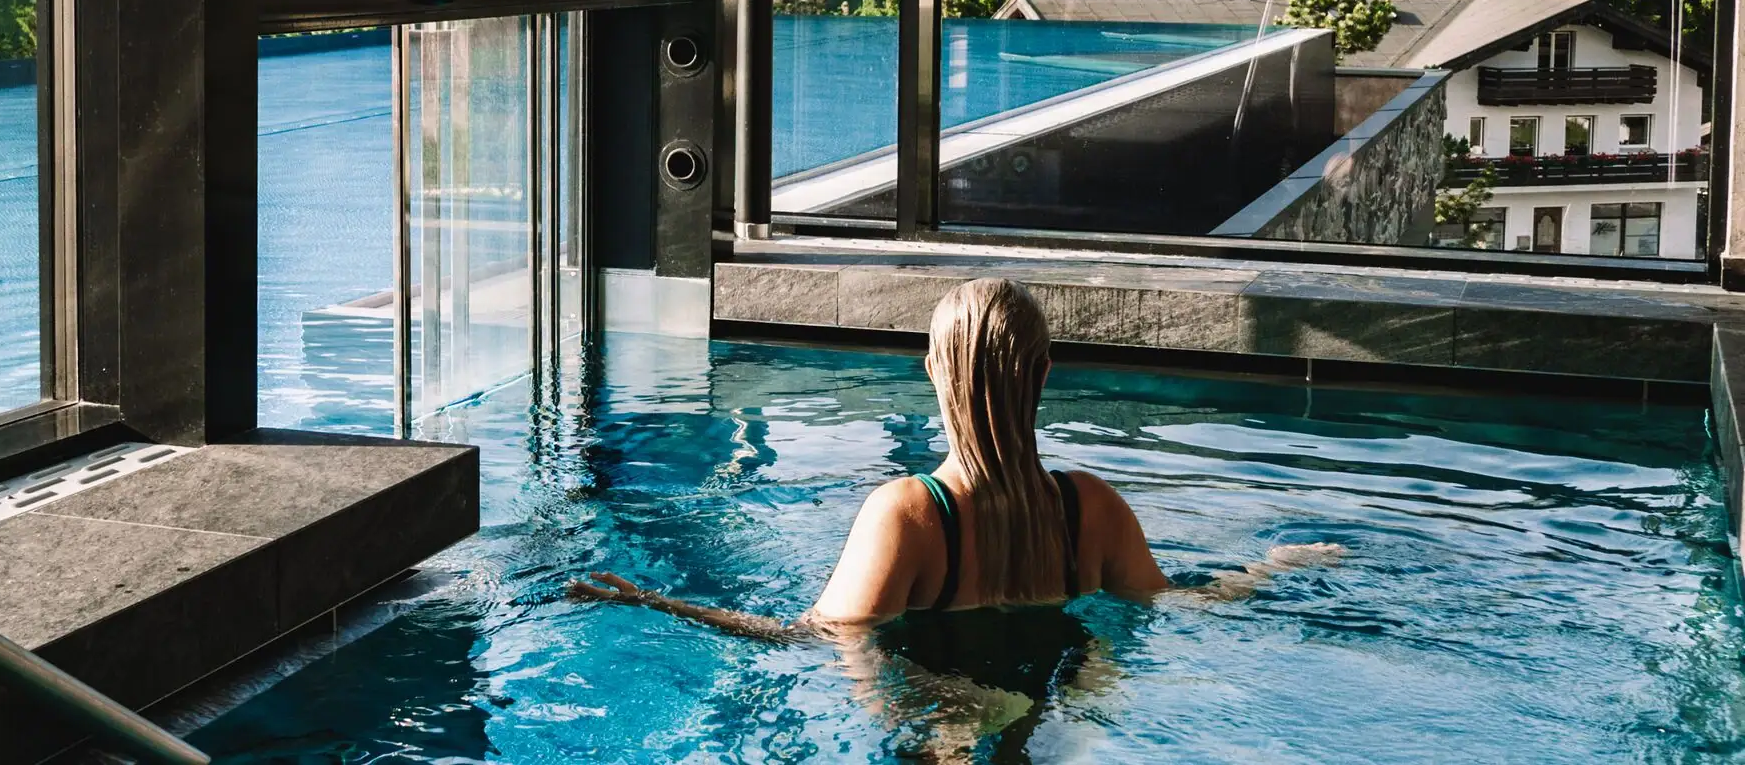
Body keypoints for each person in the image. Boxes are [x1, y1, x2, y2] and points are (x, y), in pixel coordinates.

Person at [570, 277, 1342, 635]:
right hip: (1055, 703)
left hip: (938, 718)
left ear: (936, 372)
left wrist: (653, 602)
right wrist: (1271, 566)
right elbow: (1176, 602)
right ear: (1044, 374)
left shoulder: (908, 515)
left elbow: (807, 637)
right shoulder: (1091, 509)